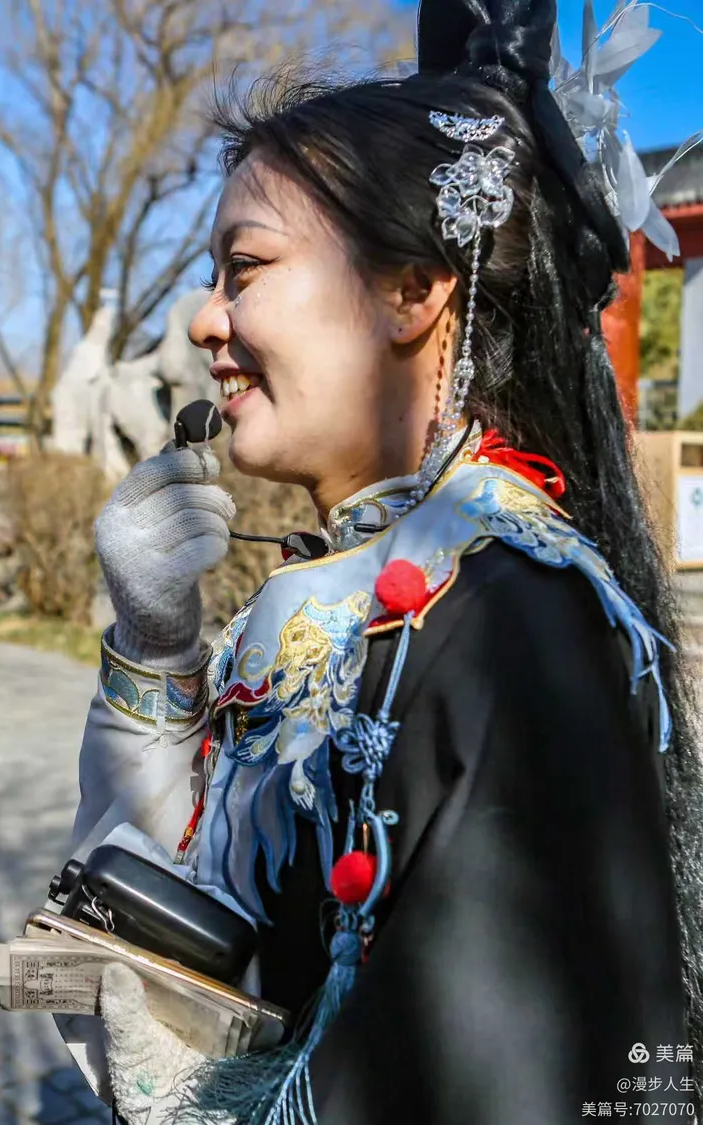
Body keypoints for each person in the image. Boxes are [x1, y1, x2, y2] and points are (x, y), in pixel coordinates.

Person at [63, 0, 703, 1121]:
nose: (206, 322)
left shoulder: (517, 617)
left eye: (243, 267)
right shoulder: (363, 584)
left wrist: (188, 1095)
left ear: (412, 290)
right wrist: (154, 650)